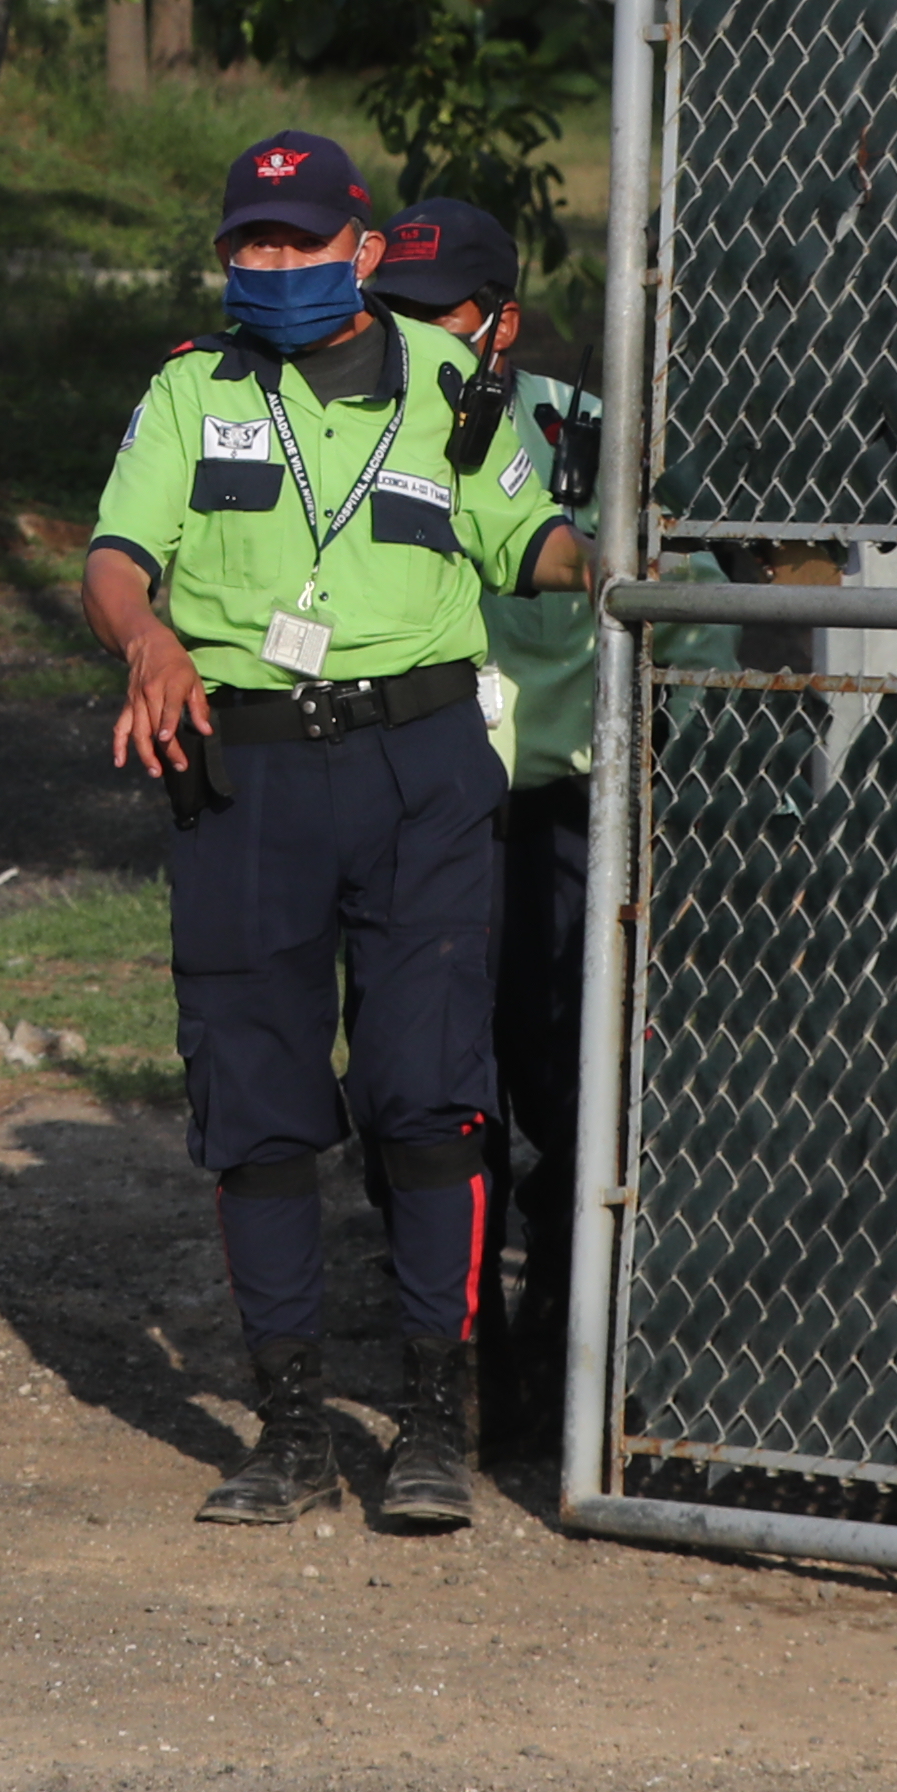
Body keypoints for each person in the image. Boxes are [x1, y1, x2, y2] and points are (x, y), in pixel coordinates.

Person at [86, 130, 589, 1533]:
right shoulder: (192, 388)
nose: (278, 267)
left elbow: (527, 537)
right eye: (254, 243)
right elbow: (117, 558)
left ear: (362, 252)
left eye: (305, 243)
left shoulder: (457, 386)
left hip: (422, 764)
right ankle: (292, 1426)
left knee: (430, 1094)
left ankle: (433, 1421)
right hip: (244, 772)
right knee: (255, 1106)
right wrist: (145, 641)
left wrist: (605, 561)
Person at [368, 194, 603, 1473]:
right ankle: (462, 1364)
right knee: (423, 1088)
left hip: (559, 806)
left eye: (438, 315)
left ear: (502, 321)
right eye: (391, 312)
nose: (411, 338)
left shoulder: (583, 434)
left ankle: (560, 1355)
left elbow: (663, 592)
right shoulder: (351, 425)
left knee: (565, 1092)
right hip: (420, 794)